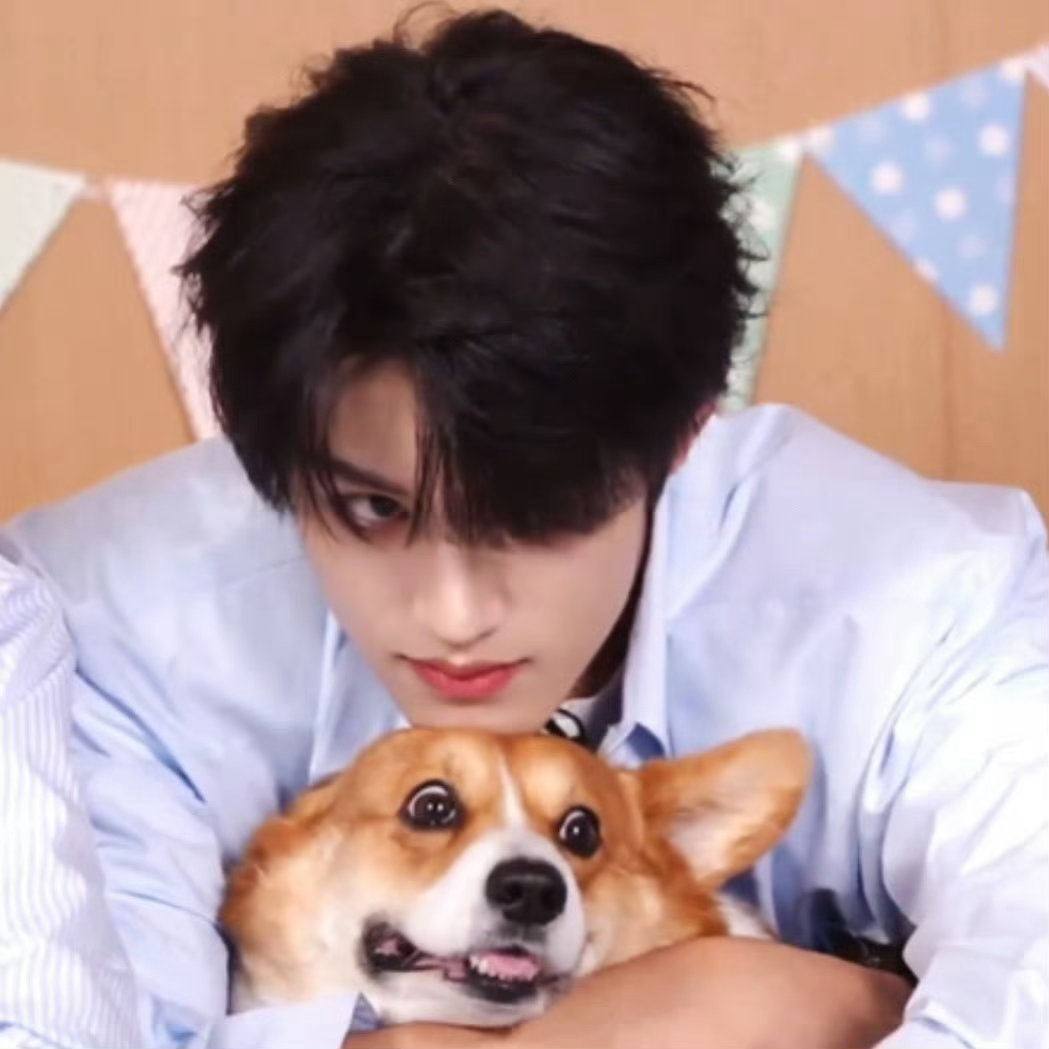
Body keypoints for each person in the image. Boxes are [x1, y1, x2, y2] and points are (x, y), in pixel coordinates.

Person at [1, 9, 1046, 1049]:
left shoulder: (932, 599)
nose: (453, 612)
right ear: (256, 441)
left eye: (532, 512)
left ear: (682, 437)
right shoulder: (102, 622)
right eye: (372, 508)